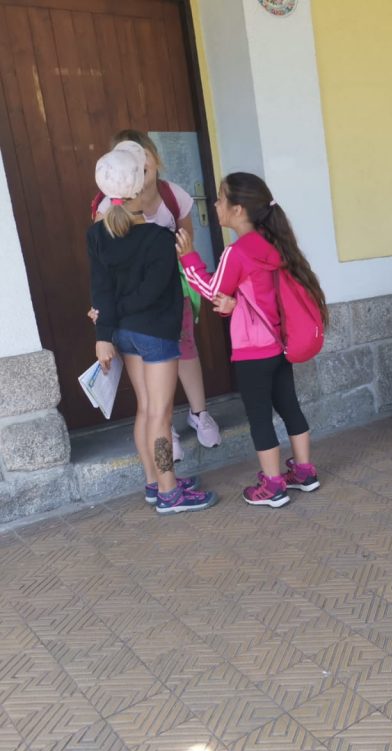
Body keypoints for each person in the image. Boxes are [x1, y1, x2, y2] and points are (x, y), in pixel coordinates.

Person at [176, 172, 326, 507]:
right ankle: (305, 472)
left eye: (220, 198)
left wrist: (188, 258)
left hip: (252, 351)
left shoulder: (238, 251)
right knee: (290, 407)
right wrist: (234, 304)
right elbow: (260, 296)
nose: (215, 204)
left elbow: (212, 289)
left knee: (259, 418)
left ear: (238, 209)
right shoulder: (274, 244)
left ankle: (273, 486)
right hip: (279, 345)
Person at [88, 143, 217, 515]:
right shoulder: (160, 238)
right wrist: (185, 253)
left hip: (124, 335)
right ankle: (169, 492)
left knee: (145, 409)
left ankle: (153, 483)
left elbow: (101, 289)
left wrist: (106, 329)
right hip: (156, 336)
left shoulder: (96, 235)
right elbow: (154, 292)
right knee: (160, 414)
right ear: (138, 188)